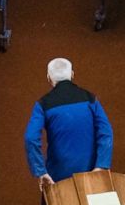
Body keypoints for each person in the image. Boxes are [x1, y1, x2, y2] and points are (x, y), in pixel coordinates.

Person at [24, 57, 114, 191]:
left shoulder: (43, 104)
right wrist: (101, 165)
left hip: (58, 174)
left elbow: (30, 138)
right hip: (90, 170)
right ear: (72, 74)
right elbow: (106, 132)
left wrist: (41, 171)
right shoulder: (90, 99)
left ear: (48, 78)